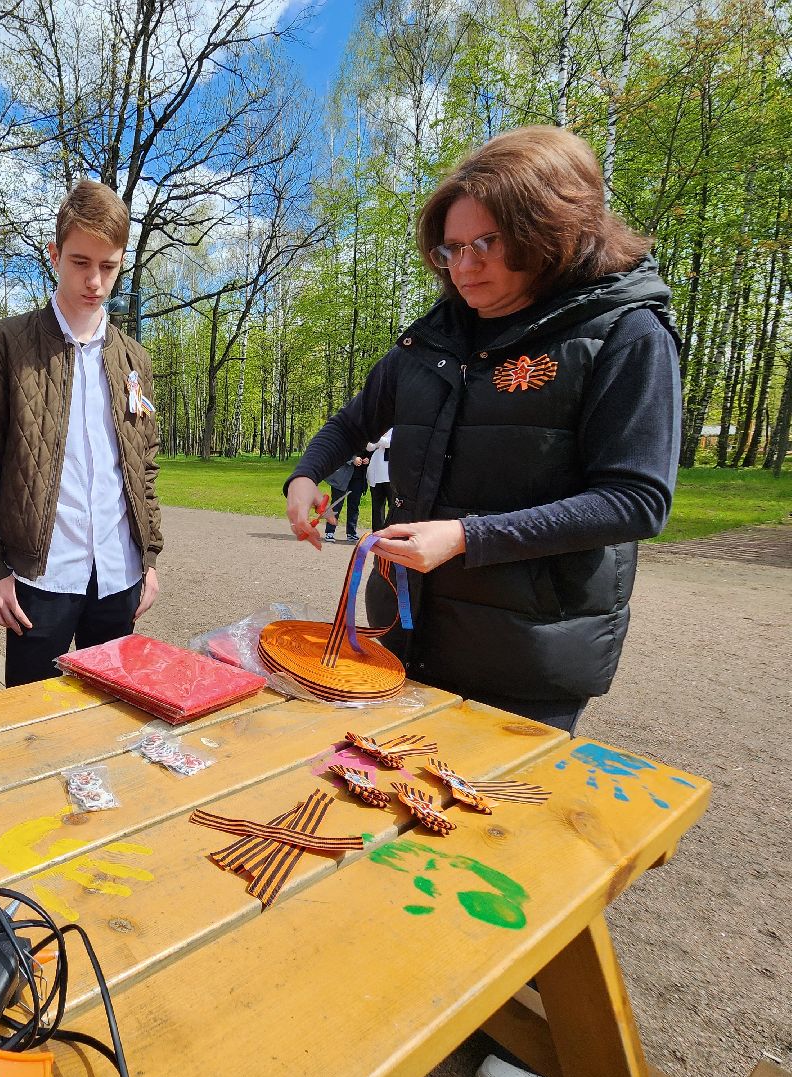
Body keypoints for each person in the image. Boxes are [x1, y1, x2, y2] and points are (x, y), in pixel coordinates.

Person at [284, 126, 680, 733]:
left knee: (494, 819)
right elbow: (354, 421)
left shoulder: (624, 335)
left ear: (549, 233)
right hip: (405, 635)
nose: (465, 268)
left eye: (486, 244)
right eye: (451, 249)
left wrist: (466, 537)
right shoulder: (434, 338)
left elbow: (635, 500)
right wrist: (310, 475)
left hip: (524, 660)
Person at [0, 179, 163, 687]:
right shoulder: (3, 346)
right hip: (39, 578)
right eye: (80, 262)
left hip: (119, 572)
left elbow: (144, 465)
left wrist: (149, 557)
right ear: (54, 254)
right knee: (33, 722)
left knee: (110, 711)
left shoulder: (134, 359)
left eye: (108, 266)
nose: (94, 280)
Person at [323, 455, 369, 543]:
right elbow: (339, 450)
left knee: (354, 505)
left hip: (358, 477)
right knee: (336, 504)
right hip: (342, 475)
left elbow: (369, 451)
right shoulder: (346, 440)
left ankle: (351, 533)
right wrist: (352, 459)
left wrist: (367, 459)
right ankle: (329, 531)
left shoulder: (366, 441)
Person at [367, 429, 393, 531]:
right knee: (377, 507)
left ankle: (391, 532)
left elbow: (388, 443)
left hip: (390, 476)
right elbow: (369, 447)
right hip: (376, 476)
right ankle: (377, 532)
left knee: (393, 506)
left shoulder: (395, 429)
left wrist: (377, 437)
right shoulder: (380, 428)